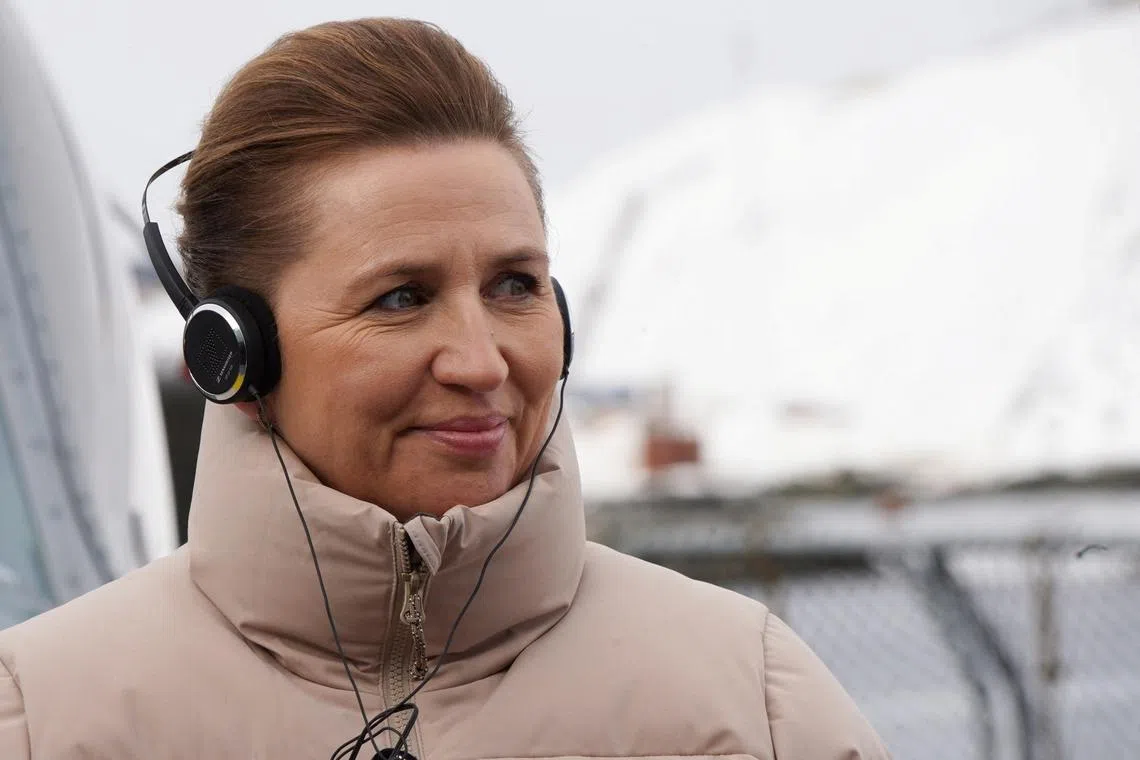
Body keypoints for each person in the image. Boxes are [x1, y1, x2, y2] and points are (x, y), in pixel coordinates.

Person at [0, 18, 889, 760]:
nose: (482, 361)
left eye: (514, 286)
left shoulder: (759, 707)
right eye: (401, 298)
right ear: (233, 353)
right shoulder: (42, 720)